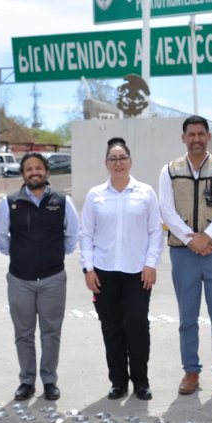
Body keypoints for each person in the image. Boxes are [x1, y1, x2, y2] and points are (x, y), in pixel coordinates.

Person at [158, 115, 212, 397]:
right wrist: (190, 240)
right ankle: (191, 371)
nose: (196, 139)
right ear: (183, 138)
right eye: (191, 134)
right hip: (184, 253)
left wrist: (206, 237)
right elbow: (166, 209)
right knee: (187, 316)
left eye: (200, 134)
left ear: (208, 136)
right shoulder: (170, 170)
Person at [79, 137, 162, 401]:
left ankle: (141, 381)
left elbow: (154, 231)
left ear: (130, 161)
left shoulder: (146, 193)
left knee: (137, 325)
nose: (118, 163)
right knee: (111, 327)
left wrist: (151, 263)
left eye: (122, 158)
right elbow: (86, 234)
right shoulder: (96, 195)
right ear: (106, 164)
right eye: (113, 159)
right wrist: (88, 269)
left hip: (137, 272)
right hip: (104, 273)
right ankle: (118, 381)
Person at [0, 152, 80, 402]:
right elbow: (1, 238)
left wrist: (52, 255)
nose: (34, 172)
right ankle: (27, 381)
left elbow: (72, 235)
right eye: (29, 168)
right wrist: (23, 255)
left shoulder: (62, 201)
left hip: (53, 279)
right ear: (23, 174)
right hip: (20, 279)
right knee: (23, 332)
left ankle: (49, 380)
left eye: (38, 168)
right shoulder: (10, 202)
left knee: (51, 331)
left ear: (47, 172)